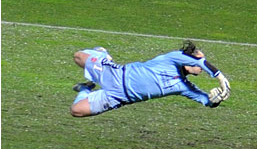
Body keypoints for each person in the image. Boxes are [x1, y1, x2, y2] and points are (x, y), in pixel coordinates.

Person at [70, 40, 231, 117]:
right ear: (188, 60)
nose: (200, 67)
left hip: (117, 97)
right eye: (197, 61)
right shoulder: (172, 59)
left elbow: (207, 101)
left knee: (76, 111)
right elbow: (200, 62)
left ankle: (86, 88)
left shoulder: (183, 87)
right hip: (115, 75)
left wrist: (216, 99)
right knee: (78, 57)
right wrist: (221, 78)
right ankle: (104, 55)